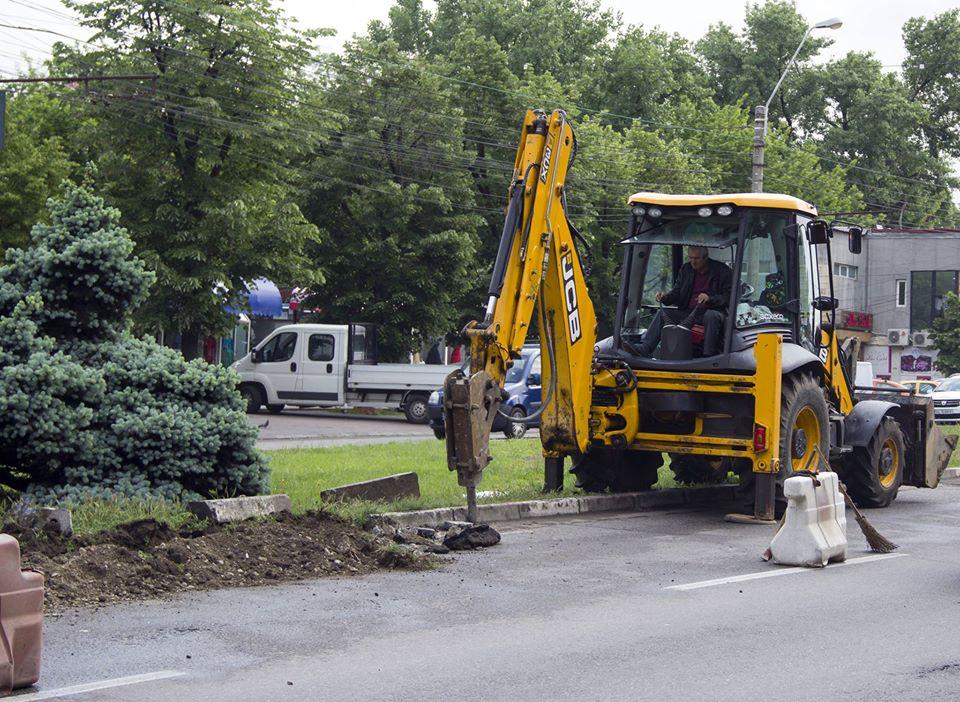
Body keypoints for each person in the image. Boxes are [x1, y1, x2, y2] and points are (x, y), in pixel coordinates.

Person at [635, 245, 732, 357]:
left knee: (711, 316)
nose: (693, 262)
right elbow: (677, 293)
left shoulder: (722, 270)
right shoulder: (686, 269)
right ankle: (645, 347)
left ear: (705, 258)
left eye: (696, 258)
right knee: (663, 313)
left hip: (712, 311)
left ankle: (708, 356)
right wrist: (665, 297)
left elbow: (728, 297)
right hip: (689, 312)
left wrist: (710, 298)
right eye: (690, 258)